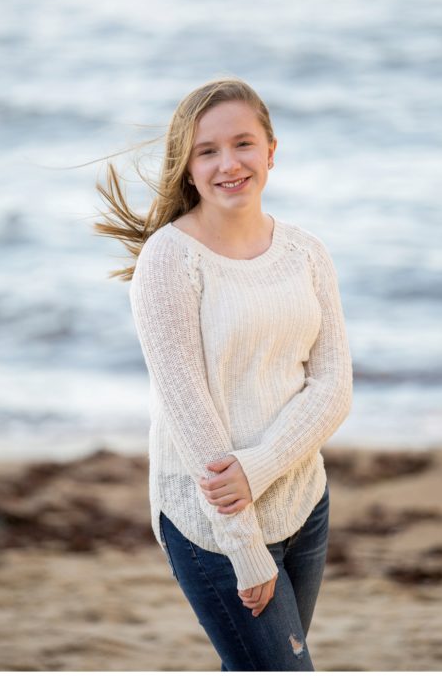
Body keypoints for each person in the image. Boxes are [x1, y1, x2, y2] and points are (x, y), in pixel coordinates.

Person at [95, 78, 353, 671]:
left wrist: (258, 469)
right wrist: (245, 550)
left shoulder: (307, 252)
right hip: (211, 526)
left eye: (243, 143)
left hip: (304, 501)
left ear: (271, 150)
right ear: (186, 167)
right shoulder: (169, 259)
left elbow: (333, 388)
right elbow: (191, 415)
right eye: (207, 151)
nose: (228, 164)